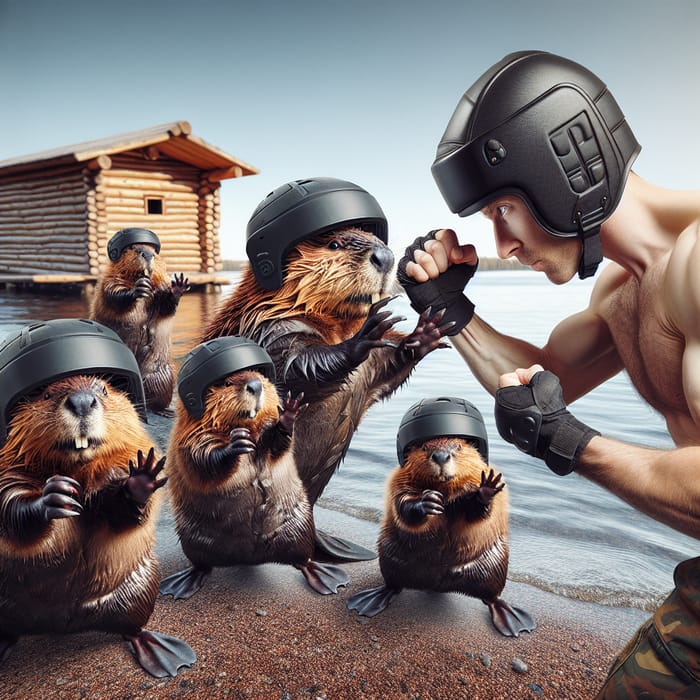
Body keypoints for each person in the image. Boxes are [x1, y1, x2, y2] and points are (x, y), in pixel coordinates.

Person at [398, 50, 700, 697]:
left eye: (503, 210)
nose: (502, 245)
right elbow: (535, 383)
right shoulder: (625, 294)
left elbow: (552, 421)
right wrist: (452, 311)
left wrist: (570, 443)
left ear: (566, 168)